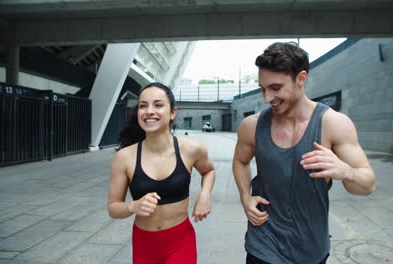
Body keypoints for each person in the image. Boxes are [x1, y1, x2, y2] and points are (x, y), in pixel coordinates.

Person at [232, 42, 376, 264]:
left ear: (301, 79)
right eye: (263, 88)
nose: (267, 98)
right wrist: (245, 196)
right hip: (263, 243)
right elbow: (240, 161)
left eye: (276, 88)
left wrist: (346, 171)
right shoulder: (251, 126)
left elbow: (367, 185)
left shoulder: (334, 124)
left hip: (311, 247)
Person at [108, 82, 215, 264]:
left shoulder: (191, 149)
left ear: (173, 112)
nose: (149, 111)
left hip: (180, 241)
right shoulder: (124, 157)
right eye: (143, 106)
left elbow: (209, 171)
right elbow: (113, 208)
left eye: (158, 105)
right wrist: (133, 206)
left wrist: (204, 195)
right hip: (144, 244)